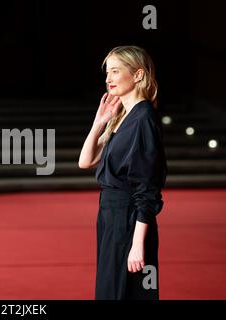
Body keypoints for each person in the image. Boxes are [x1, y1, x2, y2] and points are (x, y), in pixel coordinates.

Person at [78, 45, 167, 300]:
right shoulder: (125, 117)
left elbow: (147, 189)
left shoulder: (143, 119)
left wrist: (138, 244)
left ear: (138, 75)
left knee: (124, 293)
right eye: (107, 72)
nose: (108, 79)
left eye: (115, 71)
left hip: (127, 221)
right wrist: (99, 122)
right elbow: (86, 161)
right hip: (110, 218)